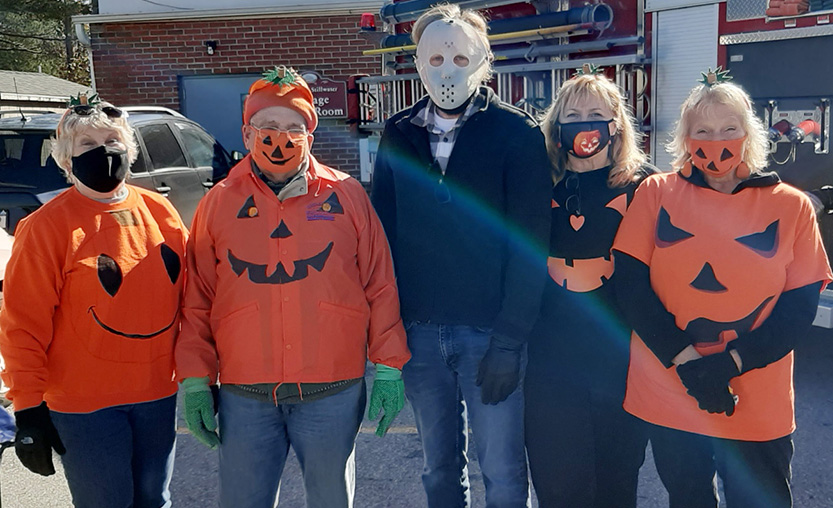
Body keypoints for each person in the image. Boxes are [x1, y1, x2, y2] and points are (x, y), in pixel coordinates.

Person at [175, 66, 410, 508]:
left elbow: (380, 282)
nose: (280, 138)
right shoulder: (218, 203)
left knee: (330, 500)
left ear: (309, 137)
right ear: (247, 134)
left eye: (293, 128)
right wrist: (194, 377)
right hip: (245, 393)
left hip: (331, 391)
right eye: (268, 126)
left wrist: (389, 365)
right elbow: (198, 297)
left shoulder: (347, 196)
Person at [612, 69, 833, 508]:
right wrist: (688, 361)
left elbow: (797, 309)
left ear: (749, 132)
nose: (717, 140)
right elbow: (630, 285)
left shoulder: (789, 206)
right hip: (670, 387)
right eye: (704, 130)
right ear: (686, 138)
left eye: (730, 128)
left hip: (757, 396)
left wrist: (730, 364)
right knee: (688, 497)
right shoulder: (656, 194)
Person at [370, 5, 552, 507]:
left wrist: (511, 340)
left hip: (489, 332)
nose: (446, 69)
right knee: (438, 469)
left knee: (503, 469)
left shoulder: (517, 132)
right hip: (421, 333)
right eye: (434, 57)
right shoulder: (399, 134)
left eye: (459, 56)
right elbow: (381, 237)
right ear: (418, 64)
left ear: (483, 60)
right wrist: (388, 330)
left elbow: (531, 240)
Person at [0, 94, 186, 508]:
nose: (103, 151)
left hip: (157, 394)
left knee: (156, 500)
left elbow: (193, 301)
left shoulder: (161, 212)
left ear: (130, 149)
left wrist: (200, 374)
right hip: (85, 406)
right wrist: (28, 407)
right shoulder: (46, 227)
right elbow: (22, 324)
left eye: (112, 140)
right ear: (66, 159)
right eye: (86, 144)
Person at [525, 65, 651, 507]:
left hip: (619, 359)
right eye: (573, 114)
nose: (584, 123)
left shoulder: (644, 186)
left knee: (616, 480)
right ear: (557, 126)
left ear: (616, 125)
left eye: (596, 112)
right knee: (557, 480)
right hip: (550, 360)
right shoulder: (537, 182)